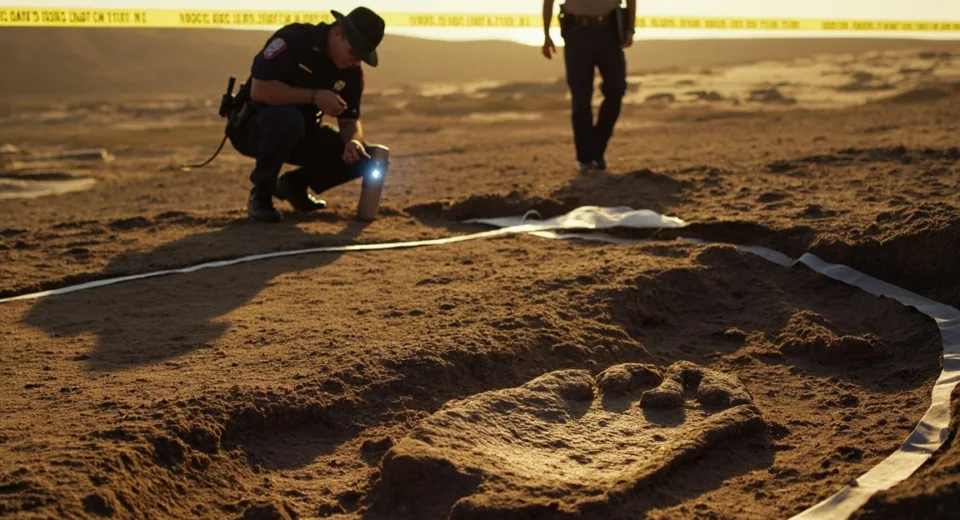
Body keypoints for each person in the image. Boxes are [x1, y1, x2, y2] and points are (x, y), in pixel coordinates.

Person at [227, 6, 386, 222]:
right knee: (287, 120)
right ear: (339, 32)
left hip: (301, 133)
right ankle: (261, 195)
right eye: (354, 52)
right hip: (253, 128)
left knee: (366, 159)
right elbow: (260, 91)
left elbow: (349, 121)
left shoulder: (351, 74)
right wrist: (315, 96)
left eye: (362, 57)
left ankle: (294, 185)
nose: (356, 60)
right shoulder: (295, 40)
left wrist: (353, 142)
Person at [541, 0, 635, 173]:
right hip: (578, 32)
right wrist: (546, 35)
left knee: (616, 90)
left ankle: (596, 150)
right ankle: (586, 158)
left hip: (610, 32)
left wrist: (630, 29)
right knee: (581, 98)